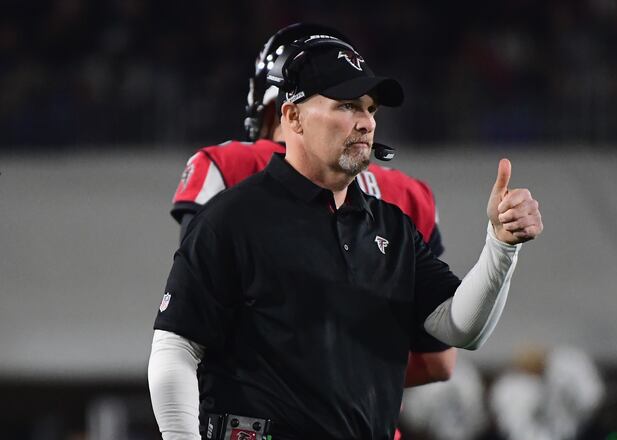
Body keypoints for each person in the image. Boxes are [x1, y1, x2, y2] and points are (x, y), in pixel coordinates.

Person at [148, 29, 543, 440]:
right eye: (347, 105)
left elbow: (461, 329)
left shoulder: (392, 227)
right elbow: (176, 348)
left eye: (371, 109)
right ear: (292, 117)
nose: (366, 122)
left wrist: (500, 245)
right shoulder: (232, 218)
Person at [169, 24, 455, 389]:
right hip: (365, 416)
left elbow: (193, 321)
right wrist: (354, 376)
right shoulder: (410, 194)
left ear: (280, 110)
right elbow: (438, 362)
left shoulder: (229, 165)